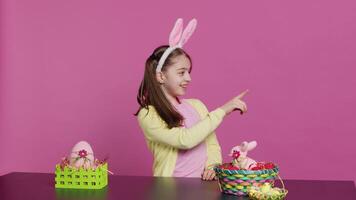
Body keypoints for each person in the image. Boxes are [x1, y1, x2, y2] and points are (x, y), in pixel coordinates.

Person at [135, 18, 248, 180]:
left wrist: (213, 166)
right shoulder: (148, 114)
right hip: (170, 190)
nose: (188, 78)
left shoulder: (197, 105)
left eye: (189, 72)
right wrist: (222, 111)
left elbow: (211, 144)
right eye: (181, 72)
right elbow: (184, 140)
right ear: (161, 76)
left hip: (202, 187)